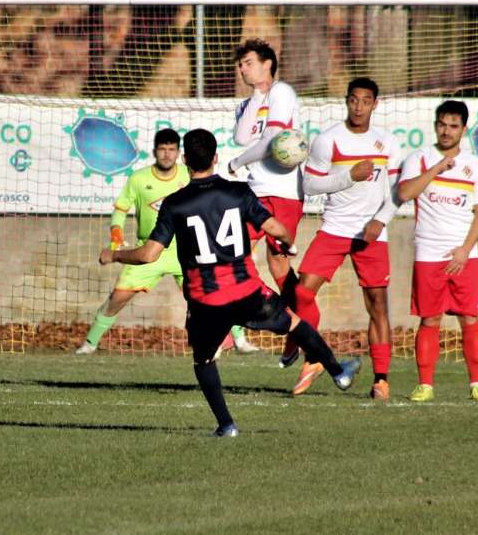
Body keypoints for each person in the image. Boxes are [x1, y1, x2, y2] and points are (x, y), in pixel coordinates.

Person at [100, 129, 361, 436]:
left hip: (205, 300)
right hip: (246, 290)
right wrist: (287, 242)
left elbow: (148, 254)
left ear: (184, 161)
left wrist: (115, 255)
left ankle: (226, 425)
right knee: (294, 323)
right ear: (215, 158)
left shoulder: (174, 203)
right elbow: (275, 227)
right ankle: (338, 372)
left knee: (203, 360)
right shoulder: (238, 192)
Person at [292, 78, 403, 399]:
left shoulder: (388, 143)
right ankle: (314, 357)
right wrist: (347, 177)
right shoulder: (329, 140)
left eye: (365, 101)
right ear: (346, 101)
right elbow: (310, 186)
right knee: (301, 292)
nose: (359, 107)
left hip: (371, 234)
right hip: (334, 229)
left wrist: (380, 221)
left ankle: (381, 379)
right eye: (353, 100)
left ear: (375, 104)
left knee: (378, 306)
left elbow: (397, 192)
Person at [76, 129, 204, 353]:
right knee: (117, 297)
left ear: (178, 152)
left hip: (184, 249)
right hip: (149, 249)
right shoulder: (139, 178)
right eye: (162, 149)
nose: (166, 154)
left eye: (171, 149)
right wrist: (116, 234)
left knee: (207, 295)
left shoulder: (187, 175)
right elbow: (120, 209)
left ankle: (238, 340)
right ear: (154, 151)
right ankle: (89, 343)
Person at [397, 100, 478, 403]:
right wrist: (436, 168)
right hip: (428, 253)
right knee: (429, 319)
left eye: (453, 126)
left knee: (470, 319)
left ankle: (477, 384)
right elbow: (405, 193)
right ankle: (425, 384)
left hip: (464, 255)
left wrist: (465, 250)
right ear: (435, 125)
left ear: (463, 129)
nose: (446, 131)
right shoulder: (420, 158)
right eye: (442, 124)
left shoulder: (475, 165)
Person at [225, 38, 304, 362]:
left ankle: (297, 329)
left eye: (248, 62)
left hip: (283, 190)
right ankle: (240, 323)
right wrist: (256, 96)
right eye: (240, 64)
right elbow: (242, 137)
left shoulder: (282, 92)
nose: (242, 69)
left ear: (267, 63)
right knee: (233, 252)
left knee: (277, 263)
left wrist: (237, 163)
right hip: (256, 191)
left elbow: (272, 140)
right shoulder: (250, 102)